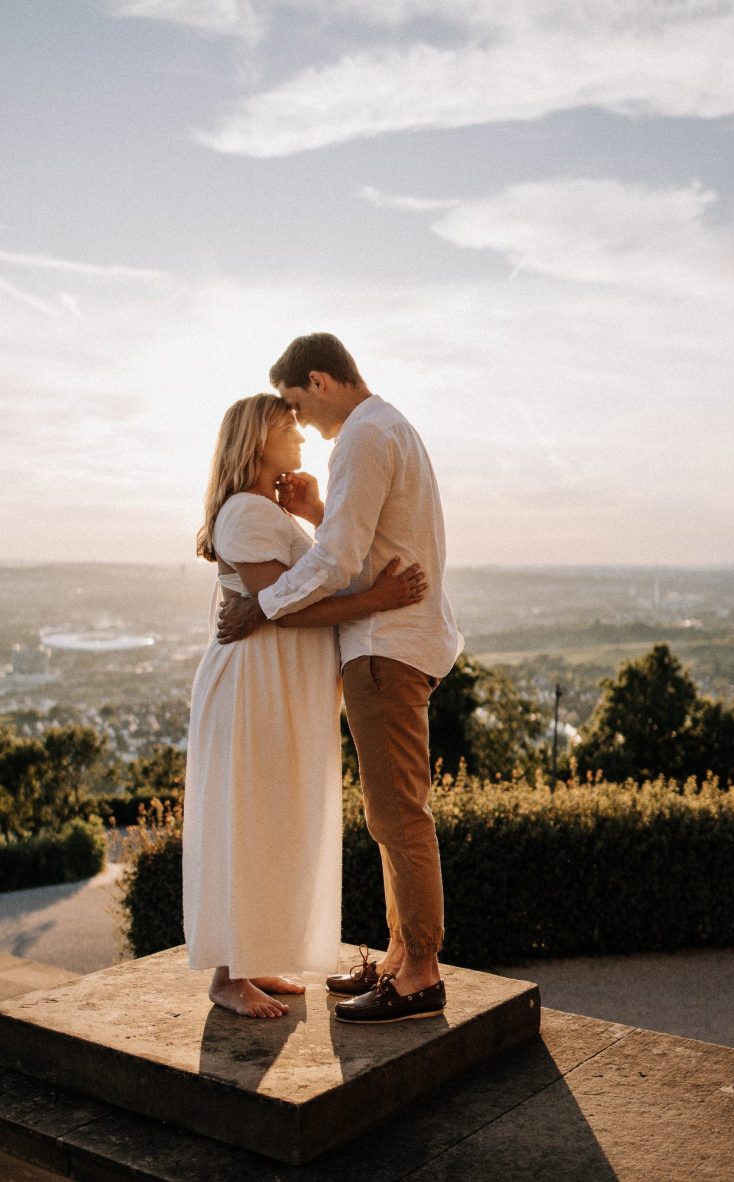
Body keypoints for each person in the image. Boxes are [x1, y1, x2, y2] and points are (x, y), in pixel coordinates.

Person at [218, 335, 462, 1024]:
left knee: (398, 814)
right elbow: (364, 543)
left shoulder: (359, 436)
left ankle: (419, 972)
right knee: (390, 813)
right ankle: (396, 955)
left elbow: (336, 562)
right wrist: (320, 515)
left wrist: (259, 604)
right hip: (397, 643)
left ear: (320, 381)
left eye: (297, 402)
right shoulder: (390, 426)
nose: (299, 420)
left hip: (385, 647)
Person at [183, 393, 426, 1019]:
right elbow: (289, 607)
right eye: (283, 422)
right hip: (251, 686)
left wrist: (315, 514)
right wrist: (380, 597)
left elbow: (310, 580)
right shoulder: (243, 512)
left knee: (272, 820)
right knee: (247, 817)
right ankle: (226, 977)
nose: (296, 428)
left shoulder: (268, 511)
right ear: (254, 438)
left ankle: (252, 957)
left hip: (277, 685)